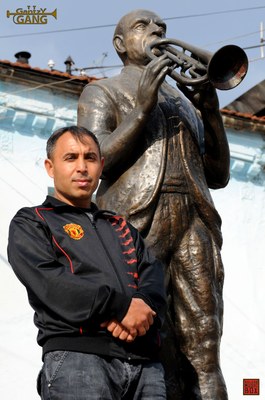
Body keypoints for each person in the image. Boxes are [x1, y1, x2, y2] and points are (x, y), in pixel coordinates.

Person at [77, 9, 229, 400]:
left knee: (205, 342)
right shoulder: (102, 91)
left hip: (195, 217)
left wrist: (210, 112)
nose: (157, 31)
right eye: (143, 26)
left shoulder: (185, 102)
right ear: (119, 44)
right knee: (139, 336)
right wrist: (142, 109)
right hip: (135, 221)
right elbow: (97, 161)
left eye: (162, 27)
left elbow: (218, 175)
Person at [7, 125, 167, 400]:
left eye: (90, 158)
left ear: (101, 165)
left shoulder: (121, 227)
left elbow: (153, 276)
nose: (82, 167)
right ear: (50, 166)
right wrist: (120, 308)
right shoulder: (33, 221)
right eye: (71, 158)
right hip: (78, 360)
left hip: (146, 367)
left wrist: (143, 307)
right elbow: (52, 284)